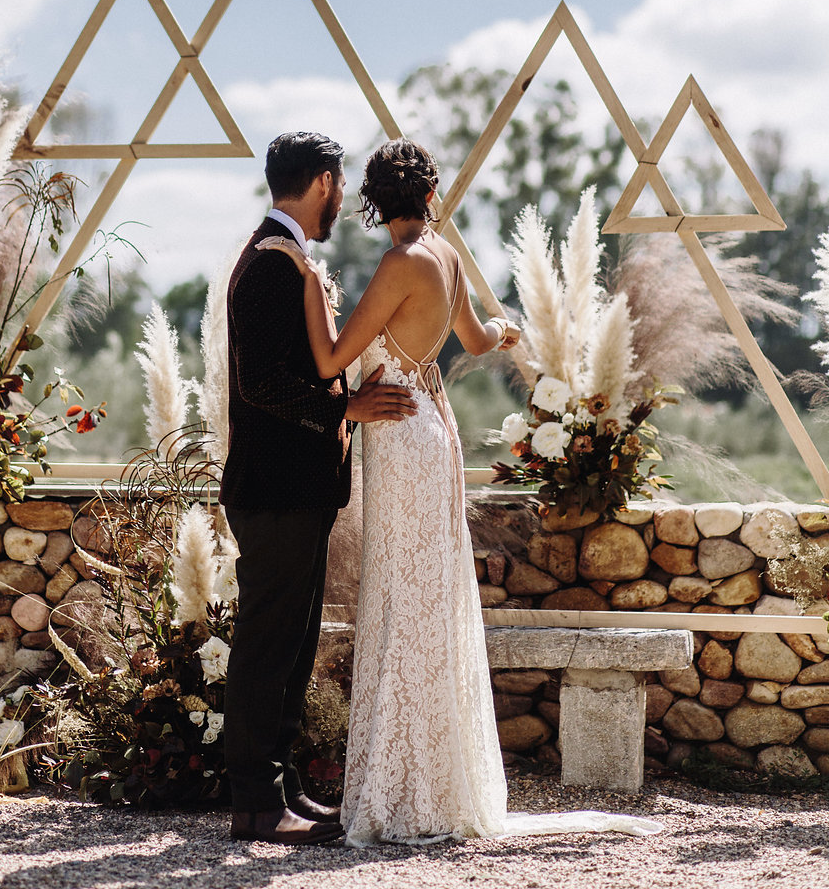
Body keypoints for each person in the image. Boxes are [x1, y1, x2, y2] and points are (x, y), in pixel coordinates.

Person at [260, 137, 662, 846]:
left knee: (402, 597)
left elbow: (329, 357)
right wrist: (508, 329)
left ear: (375, 203)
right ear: (432, 196)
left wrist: (308, 286)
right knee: (431, 598)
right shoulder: (445, 258)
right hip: (432, 432)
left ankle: (406, 786)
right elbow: (477, 341)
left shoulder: (398, 264)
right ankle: (439, 779)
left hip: (397, 435)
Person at [221, 131, 418, 846]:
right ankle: (252, 803)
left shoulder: (282, 257)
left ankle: (283, 792)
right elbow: (262, 384)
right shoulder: (270, 265)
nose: (342, 202)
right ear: (325, 183)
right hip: (272, 491)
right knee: (267, 646)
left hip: (295, 491)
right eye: (339, 187)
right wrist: (345, 408)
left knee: (294, 647)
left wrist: (343, 392)